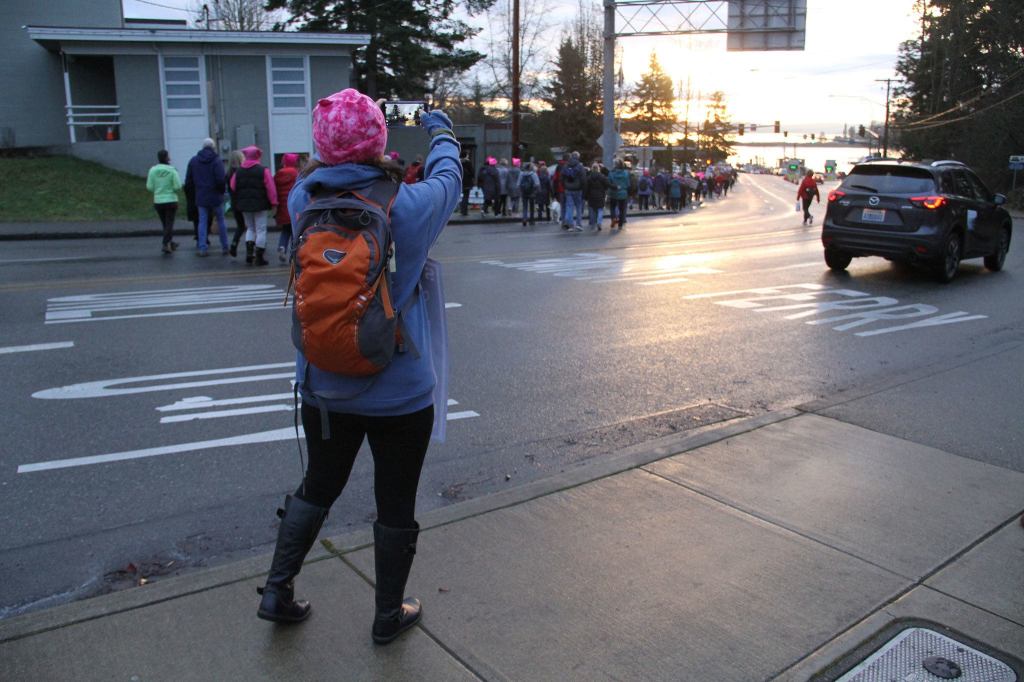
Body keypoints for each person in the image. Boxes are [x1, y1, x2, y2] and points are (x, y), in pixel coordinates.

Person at [256, 88, 461, 647]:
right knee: (394, 500)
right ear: (380, 141)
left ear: (321, 146)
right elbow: (451, 179)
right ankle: (387, 614)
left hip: (323, 386)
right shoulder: (410, 206)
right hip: (399, 393)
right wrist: (439, 128)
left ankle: (277, 590)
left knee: (318, 483)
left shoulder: (303, 199)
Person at [230, 145, 278, 266]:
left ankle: (249, 254)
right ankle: (259, 256)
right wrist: (274, 203)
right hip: (260, 204)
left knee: (250, 228)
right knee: (261, 229)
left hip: (244, 204)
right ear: (257, 156)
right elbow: (271, 189)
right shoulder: (263, 170)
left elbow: (233, 186)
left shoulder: (239, 171)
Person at [185, 138, 229, 256]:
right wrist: (221, 191)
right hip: (215, 195)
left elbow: (188, 181)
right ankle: (225, 246)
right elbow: (221, 179)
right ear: (213, 147)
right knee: (221, 220)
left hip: (201, 195)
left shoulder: (194, 161)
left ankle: (202, 247)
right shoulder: (217, 161)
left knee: (202, 222)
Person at [146, 149, 182, 255]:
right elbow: (178, 186)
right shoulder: (172, 170)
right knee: (169, 223)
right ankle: (166, 244)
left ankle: (170, 242)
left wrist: (158, 190)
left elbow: (149, 187)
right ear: (167, 158)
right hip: (171, 200)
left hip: (158, 200)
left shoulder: (152, 170)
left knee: (165, 223)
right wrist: (171, 190)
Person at [274, 153, 300, 262]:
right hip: (294, 207)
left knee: (285, 230)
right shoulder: (297, 174)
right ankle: (293, 254)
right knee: (295, 231)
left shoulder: (278, 174)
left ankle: (282, 247)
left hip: (282, 206)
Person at [226, 151, 247, 257]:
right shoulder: (242, 172)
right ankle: (252, 248)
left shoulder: (228, 173)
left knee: (240, 226)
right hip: (244, 201)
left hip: (234, 202)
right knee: (251, 226)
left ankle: (234, 244)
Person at [561, 151, 586, 231]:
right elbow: (583, 179)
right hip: (578, 189)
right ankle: (579, 224)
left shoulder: (566, 166)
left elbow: (561, 178)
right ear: (578, 157)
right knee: (579, 207)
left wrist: (565, 186)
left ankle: (570, 225)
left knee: (569, 207)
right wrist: (583, 188)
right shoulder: (580, 166)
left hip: (568, 189)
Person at [584, 162, 611, 231]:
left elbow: (586, 187)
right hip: (600, 195)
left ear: (592, 169)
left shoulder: (589, 177)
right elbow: (607, 184)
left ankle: (593, 222)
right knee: (600, 209)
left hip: (591, 195)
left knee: (593, 209)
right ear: (598, 169)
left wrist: (586, 196)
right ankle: (599, 222)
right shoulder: (602, 176)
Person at [608, 159, 630, 230]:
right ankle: (620, 224)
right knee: (622, 209)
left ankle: (613, 218)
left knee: (612, 207)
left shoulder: (611, 173)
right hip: (623, 193)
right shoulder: (626, 173)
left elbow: (609, 183)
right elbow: (628, 184)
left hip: (614, 193)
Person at [518, 161, 539, 226]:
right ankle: (531, 220)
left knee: (525, 206)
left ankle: (524, 219)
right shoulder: (533, 174)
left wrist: (520, 190)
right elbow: (537, 183)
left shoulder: (521, 174)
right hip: (532, 192)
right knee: (532, 207)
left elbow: (518, 184)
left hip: (524, 192)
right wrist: (536, 191)